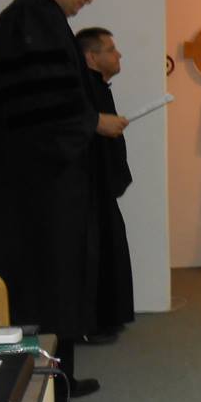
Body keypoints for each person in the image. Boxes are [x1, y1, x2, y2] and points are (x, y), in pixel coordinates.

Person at [0, 0, 128, 402]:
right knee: (46, 296)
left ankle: (62, 381)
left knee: (61, 290)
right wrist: (94, 122)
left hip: (47, 190)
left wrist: (89, 121)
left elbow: (52, 104)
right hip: (35, 198)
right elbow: (40, 113)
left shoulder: (41, 20)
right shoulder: (28, 22)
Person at [76, 27, 135, 344]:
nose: (118, 54)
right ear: (91, 56)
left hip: (100, 188)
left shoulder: (98, 87)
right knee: (94, 253)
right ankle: (92, 324)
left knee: (111, 247)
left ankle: (108, 318)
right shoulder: (82, 90)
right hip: (87, 189)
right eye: (111, 49)